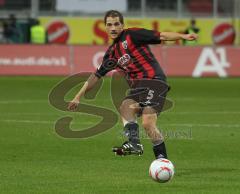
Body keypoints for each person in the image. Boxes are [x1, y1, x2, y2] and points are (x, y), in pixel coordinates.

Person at [68, 10, 197, 159]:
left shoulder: (132, 35)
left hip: (154, 81)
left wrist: (183, 36)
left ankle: (162, 159)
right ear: (105, 27)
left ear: (122, 25)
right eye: (109, 25)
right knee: (125, 106)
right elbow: (96, 76)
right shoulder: (111, 54)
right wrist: (78, 97)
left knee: (148, 123)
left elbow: (161, 35)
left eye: (116, 24)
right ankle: (135, 144)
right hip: (137, 88)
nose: (113, 28)